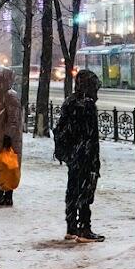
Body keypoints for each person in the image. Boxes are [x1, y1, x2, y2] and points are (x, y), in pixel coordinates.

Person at [55, 68, 103, 242]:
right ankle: (84, 227)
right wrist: (93, 160)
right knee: (85, 191)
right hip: (86, 156)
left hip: (73, 155)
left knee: (73, 190)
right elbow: (90, 135)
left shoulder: (70, 101)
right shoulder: (87, 105)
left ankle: (71, 225)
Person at [0, 66, 23, 206]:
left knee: (7, 167)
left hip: (6, 140)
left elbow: (13, 119)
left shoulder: (9, 96)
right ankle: (0, 194)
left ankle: (7, 196)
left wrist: (8, 136)